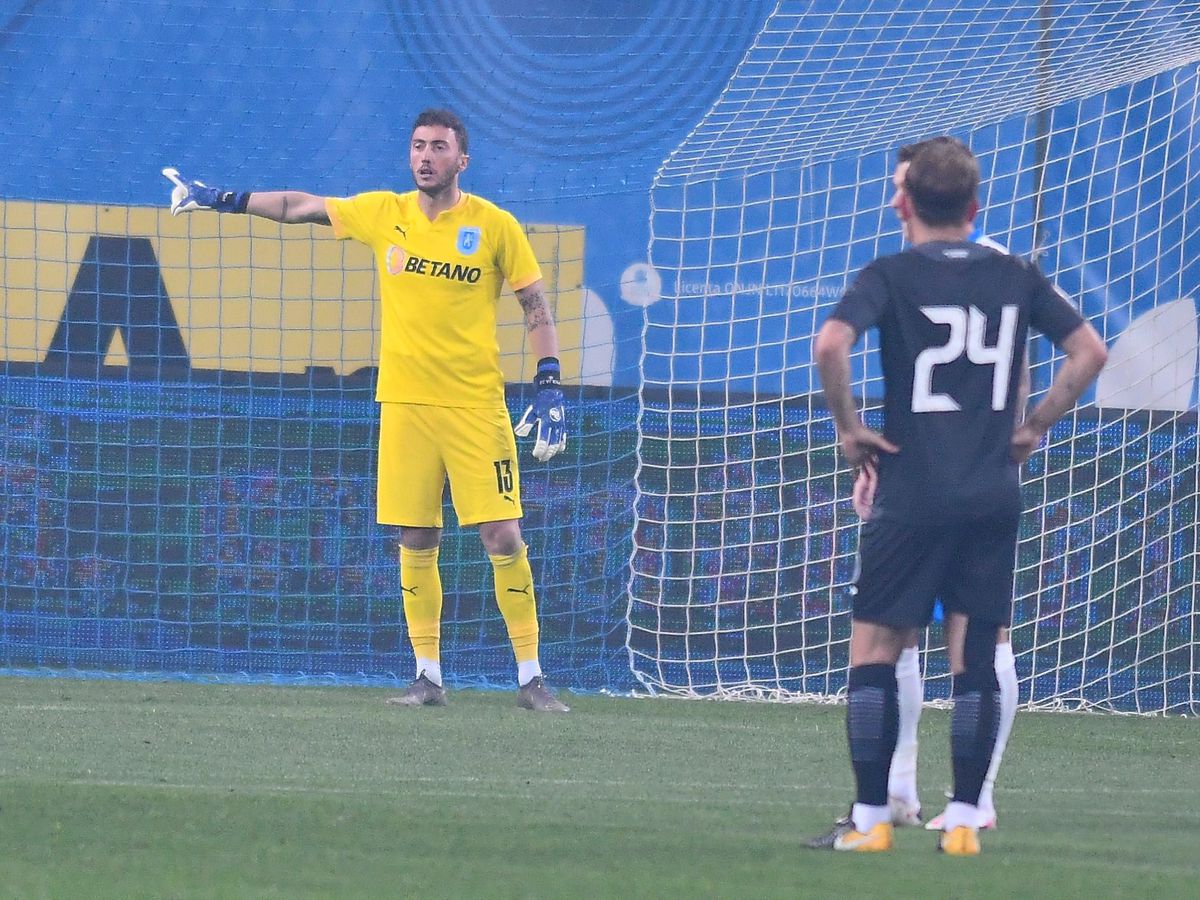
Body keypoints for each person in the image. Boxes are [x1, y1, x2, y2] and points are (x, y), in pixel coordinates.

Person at [163, 107, 570, 712]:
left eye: (438, 147)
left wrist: (550, 382)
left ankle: (531, 677)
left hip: (476, 406)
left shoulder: (495, 226)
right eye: (417, 146)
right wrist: (224, 198)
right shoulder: (387, 213)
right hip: (405, 404)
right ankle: (427, 677)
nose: (425, 156)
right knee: (416, 534)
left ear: (463, 160)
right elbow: (298, 207)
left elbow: (535, 307)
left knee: (502, 534)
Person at [806, 136, 1107, 855]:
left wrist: (850, 431)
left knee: (877, 649)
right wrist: (1032, 428)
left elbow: (829, 345)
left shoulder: (892, 272)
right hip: (990, 488)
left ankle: (874, 816)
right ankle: (967, 819)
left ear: (907, 200)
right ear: (975, 206)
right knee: (974, 656)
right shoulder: (1016, 275)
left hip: (912, 485)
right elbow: (1091, 350)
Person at [859, 142, 1026, 832]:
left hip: (968, 476)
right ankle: (900, 790)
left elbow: (1015, 373)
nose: (894, 200)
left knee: (982, 639)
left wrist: (1013, 438)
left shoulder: (990, 269)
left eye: (901, 186)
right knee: (901, 635)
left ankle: (976, 795)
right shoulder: (916, 269)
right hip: (921, 474)